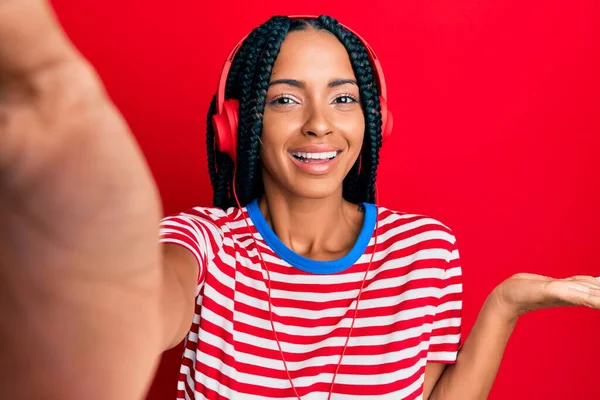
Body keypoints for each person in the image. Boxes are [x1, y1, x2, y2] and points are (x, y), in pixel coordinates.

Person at [0, 2, 598, 400]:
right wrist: (83, 238)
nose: (319, 125)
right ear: (237, 126)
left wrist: (507, 303)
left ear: (375, 121)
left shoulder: (423, 251)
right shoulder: (204, 244)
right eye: (286, 100)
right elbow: (141, 310)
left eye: (342, 100)